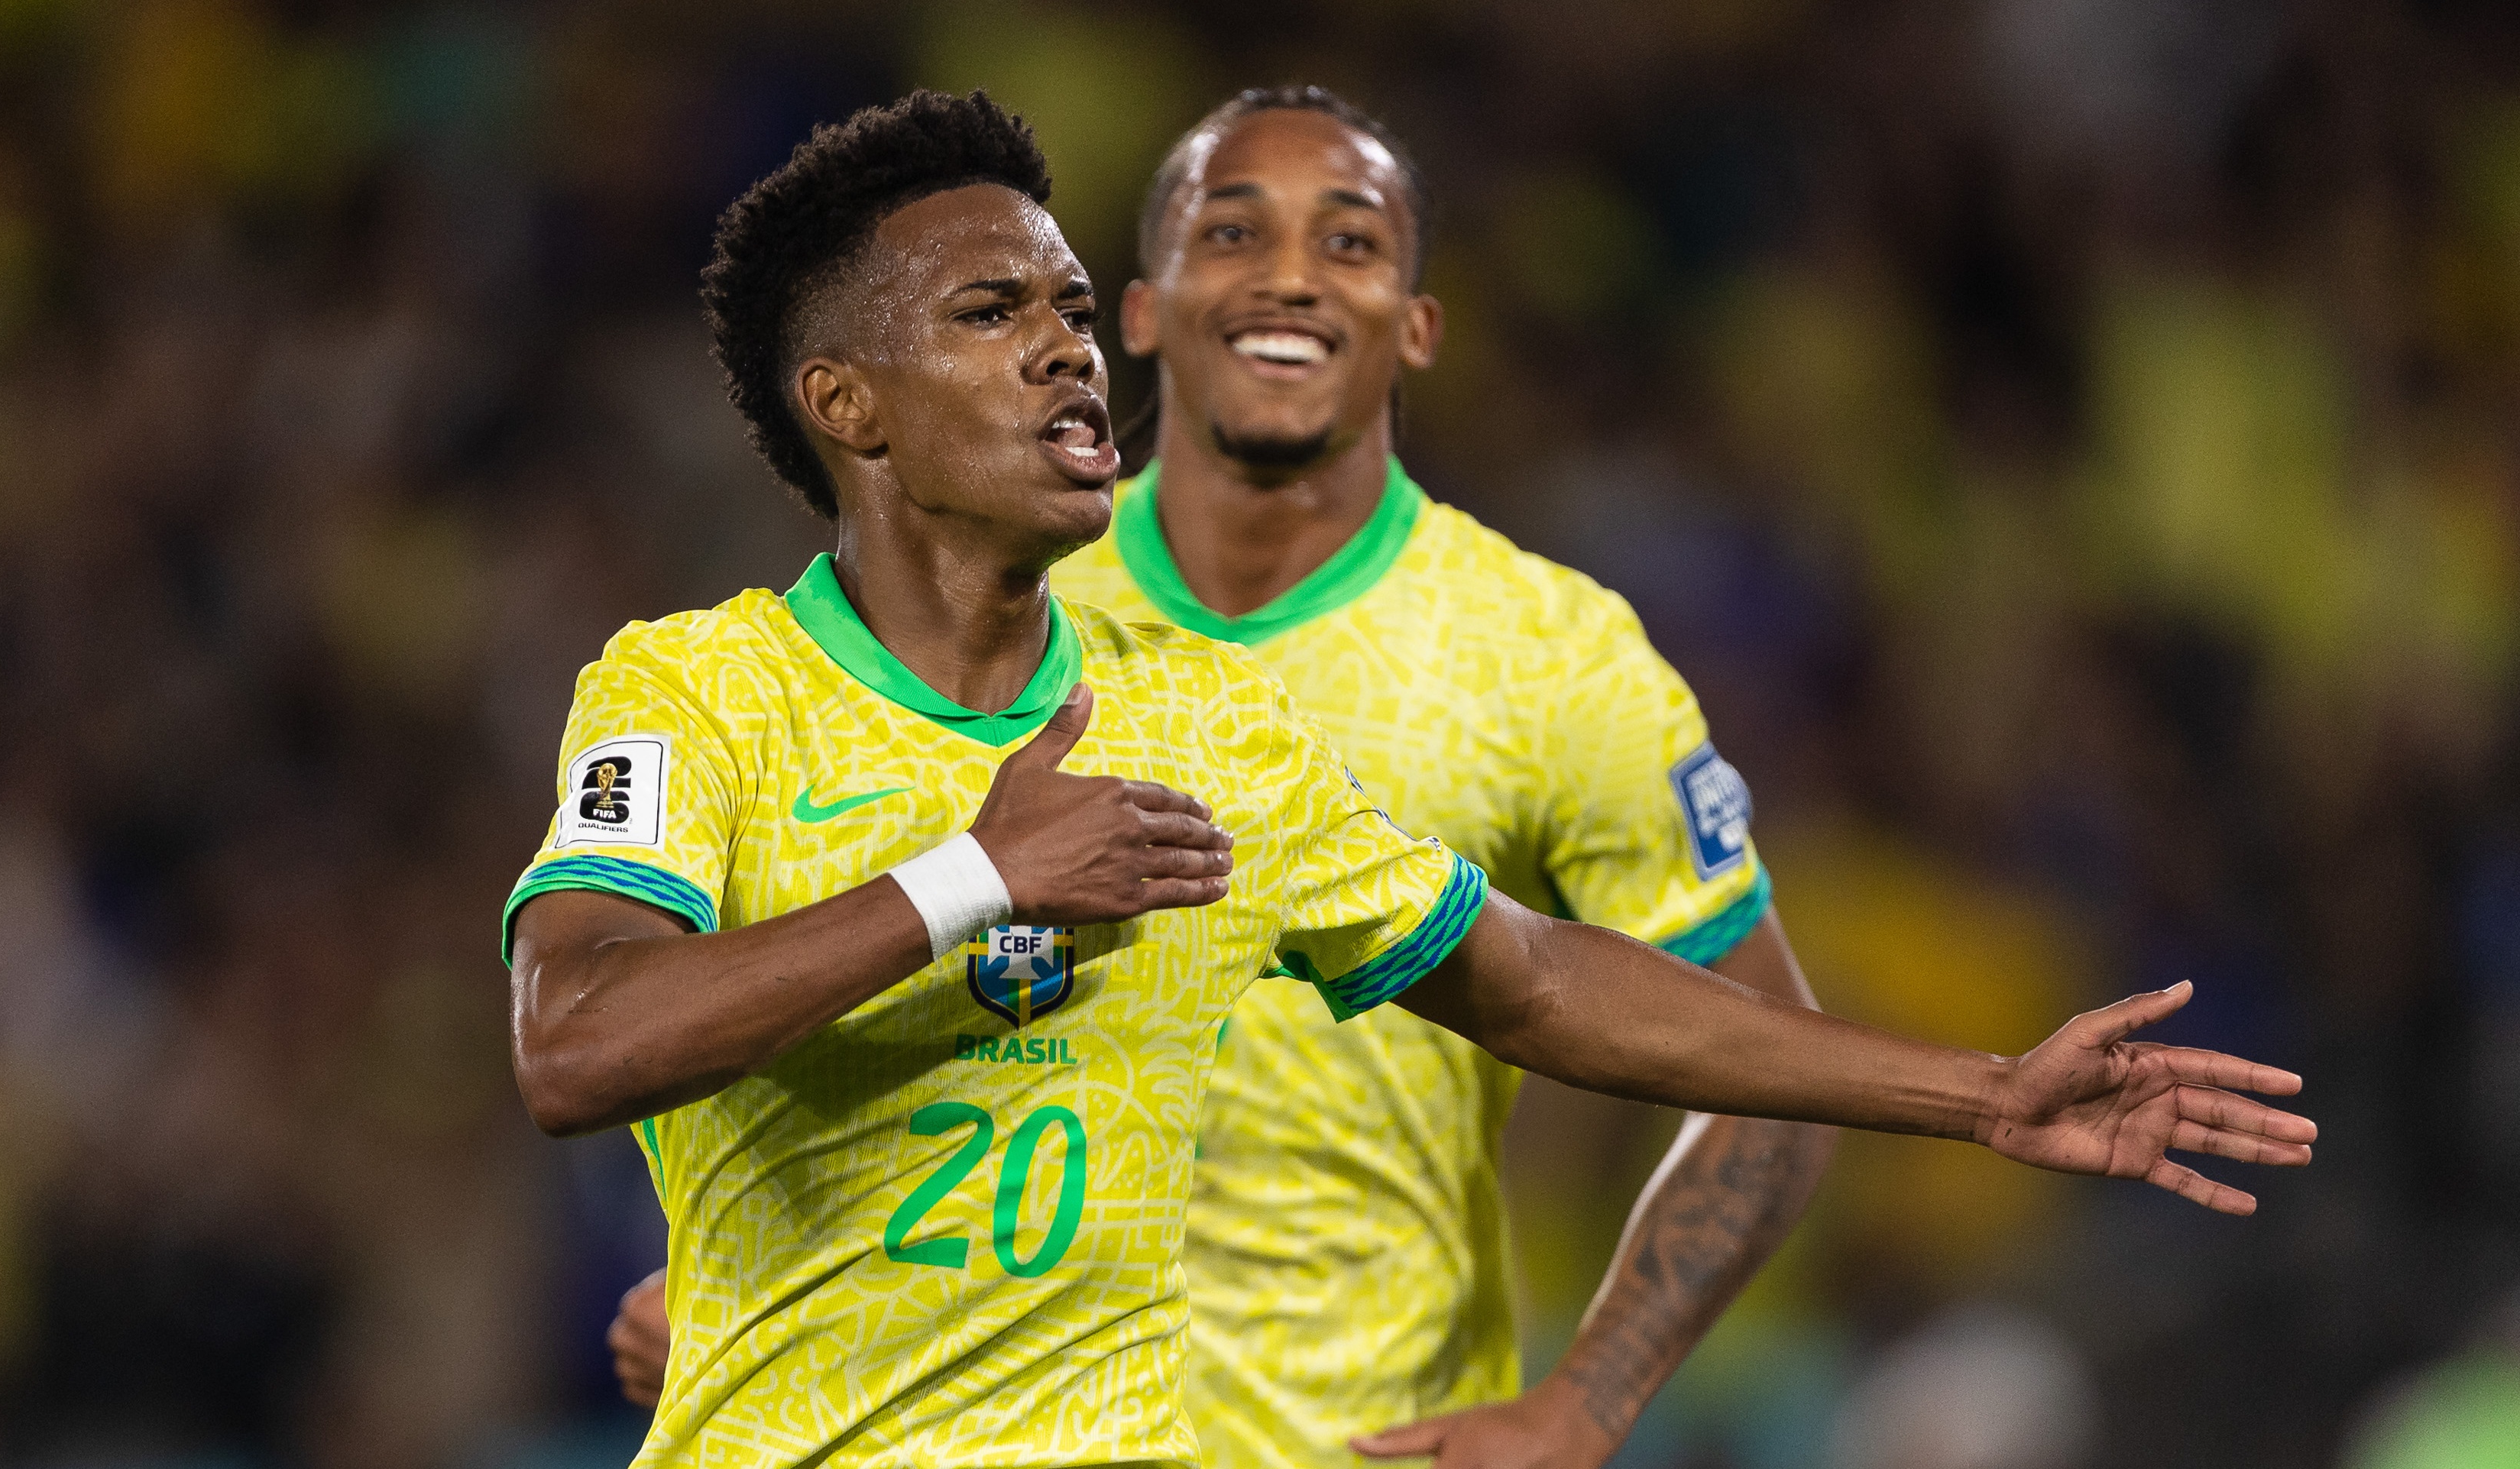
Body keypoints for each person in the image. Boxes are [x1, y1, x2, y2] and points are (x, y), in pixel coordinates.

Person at [510, 89, 2312, 1469]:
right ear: (849, 402)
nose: (1063, 345)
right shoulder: (694, 691)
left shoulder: (1206, 730)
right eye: (993, 312)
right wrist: (968, 880)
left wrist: (1982, 1090)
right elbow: (572, 1041)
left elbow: (1534, 976)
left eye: (1066, 304)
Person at [612, 83, 1835, 1469]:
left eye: (1352, 243)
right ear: (1147, 308)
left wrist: (1590, 1397)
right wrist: (759, 1282)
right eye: (1236, 233)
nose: (1294, 278)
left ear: (1419, 325)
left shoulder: (1548, 654)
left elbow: (1720, 1049)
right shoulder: (974, 575)